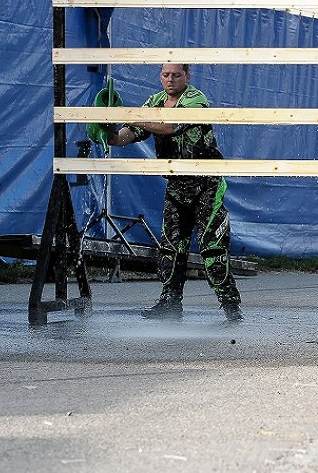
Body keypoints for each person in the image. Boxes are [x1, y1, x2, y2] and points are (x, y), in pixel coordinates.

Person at [104, 63, 243, 321]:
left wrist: (128, 115)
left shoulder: (195, 99)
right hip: (177, 185)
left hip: (206, 183)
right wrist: (111, 134)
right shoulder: (154, 101)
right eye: (166, 74)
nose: (170, 79)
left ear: (186, 76)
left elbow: (170, 126)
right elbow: (131, 133)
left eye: (176, 75)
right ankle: (170, 304)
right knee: (170, 246)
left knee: (211, 246)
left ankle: (231, 309)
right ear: (160, 76)